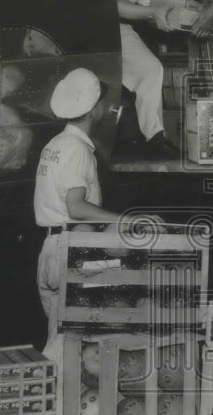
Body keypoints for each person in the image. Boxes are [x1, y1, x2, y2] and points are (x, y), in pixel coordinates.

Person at [33, 68, 145, 366]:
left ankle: (51, 404)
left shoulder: (53, 146)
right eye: (101, 103)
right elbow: (76, 206)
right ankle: (52, 405)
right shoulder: (77, 150)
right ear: (93, 110)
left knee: (59, 339)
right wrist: (120, 221)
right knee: (74, 345)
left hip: (49, 251)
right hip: (71, 250)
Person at [104, 0, 180, 158]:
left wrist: (183, 16)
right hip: (89, 32)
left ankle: (155, 138)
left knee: (151, 69)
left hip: (120, 31)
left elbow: (151, 7)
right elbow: (110, 3)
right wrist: (152, 13)